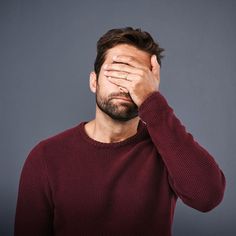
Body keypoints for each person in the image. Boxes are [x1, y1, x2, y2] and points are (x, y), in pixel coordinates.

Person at [14, 27, 226, 236]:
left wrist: (152, 102)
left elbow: (208, 196)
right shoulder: (46, 157)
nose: (125, 86)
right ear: (94, 81)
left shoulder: (167, 150)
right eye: (116, 73)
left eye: (135, 77)